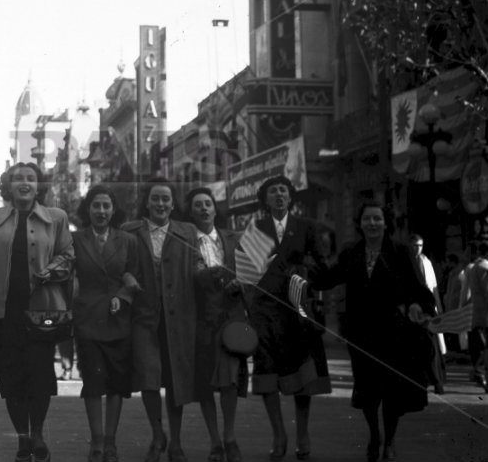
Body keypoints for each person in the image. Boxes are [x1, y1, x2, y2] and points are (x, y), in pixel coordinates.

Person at [310, 200, 435, 461]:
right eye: (367, 219)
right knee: (367, 391)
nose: (372, 223)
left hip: (393, 334)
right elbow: (328, 279)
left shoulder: (400, 252)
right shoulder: (351, 252)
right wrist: (304, 268)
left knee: (391, 391)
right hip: (360, 334)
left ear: (386, 223)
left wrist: (415, 305)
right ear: (360, 223)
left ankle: (388, 441)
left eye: (377, 219)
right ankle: (374, 435)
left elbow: (418, 288)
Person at [0, 162, 75, 462]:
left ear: (38, 186)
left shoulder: (55, 217)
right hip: (1, 311)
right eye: (17, 178)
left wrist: (50, 270)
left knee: (40, 375)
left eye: (30, 178)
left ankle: (38, 434)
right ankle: (22, 437)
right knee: (11, 378)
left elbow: (68, 255)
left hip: (41, 310)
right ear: (7, 185)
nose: (24, 183)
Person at [246, 175, 330, 461]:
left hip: (297, 310)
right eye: (273, 191)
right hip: (266, 312)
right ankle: (278, 434)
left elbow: (322, 267)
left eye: (283, 190)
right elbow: (246, 271)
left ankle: (302, 433)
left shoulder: (306, 227)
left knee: (302, 374)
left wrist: (302, 267)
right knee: (267, 371)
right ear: (265, 199)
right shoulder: (256, 228)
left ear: (291, 197)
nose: (279, 194)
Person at [121, 178, 201, 462]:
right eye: (155, 198)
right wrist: (126, 275)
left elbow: (198, 267)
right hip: (144, 319)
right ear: (147, 202)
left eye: (166, 199)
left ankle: (176, 441)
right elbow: (119, 264)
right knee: (148, 379)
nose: (161, 204)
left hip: (179, 321)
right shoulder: (130, 232)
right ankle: (158, 434)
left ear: (173, 203)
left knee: (175, 381)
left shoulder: (187, 232)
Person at [71, 185, 140, 462]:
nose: (101, 211)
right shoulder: (76, 240)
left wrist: (123, 296)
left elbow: (132, 273)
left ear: (114, 210)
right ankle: (96, 441)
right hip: (87, 320)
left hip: (118, 320)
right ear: (88, 209)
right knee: (93, 382)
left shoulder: (127, 240)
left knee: (116, 383)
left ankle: (111, 441)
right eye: (96, 206)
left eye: (106, 206)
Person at [185, 187, 247, 462]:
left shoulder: (232, 239)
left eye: (207, 204)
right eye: (198, 205)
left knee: (231, 380)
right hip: (200, 320)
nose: (204, 209)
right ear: (191, 211)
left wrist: (240, 285)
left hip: (230, 318)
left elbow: (250, 272)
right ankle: (214, 441)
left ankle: (230, 435)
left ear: (214, 208)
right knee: (206, 383)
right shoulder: (183, 242)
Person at [409, 234, 446, 394]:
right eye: (415, 245)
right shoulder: (407, 262)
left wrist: (438, 309)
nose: (418, 248)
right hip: (412, 311)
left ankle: (437, 381)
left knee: (431, 347)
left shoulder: (426, 262)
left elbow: (433, 288)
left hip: (428, 311)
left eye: (420, 245)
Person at [465, 240, 488, 392]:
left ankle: (479, 371)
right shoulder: (485, 268)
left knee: (483, 346)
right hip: (486, 313)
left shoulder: (473, 267)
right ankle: (479, 372)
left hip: (478, 313)